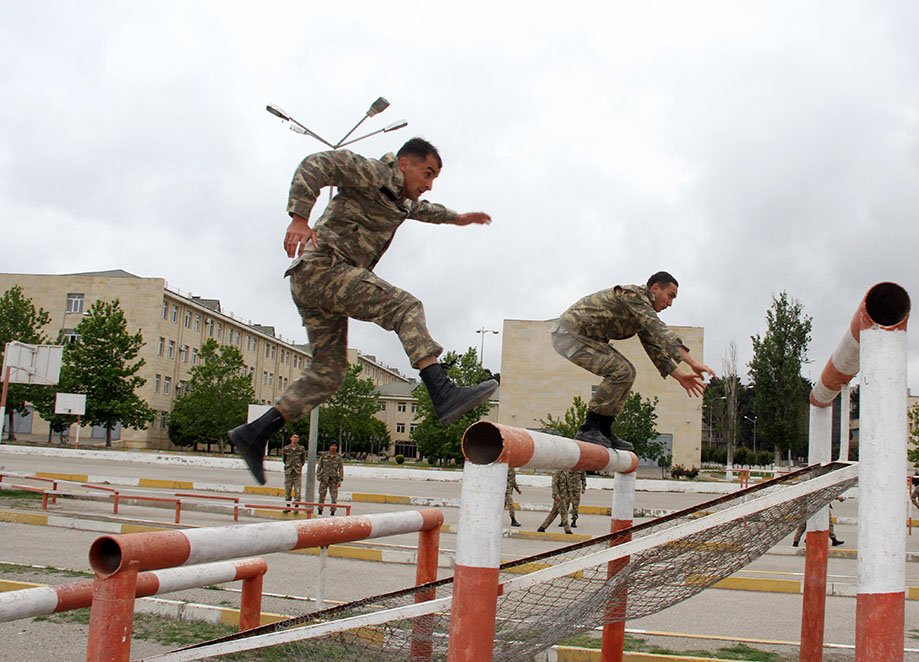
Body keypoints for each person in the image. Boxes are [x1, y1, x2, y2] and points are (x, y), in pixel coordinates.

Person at [229, 138, 499, 484]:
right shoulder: (371, 172)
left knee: (328, 373)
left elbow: (424, 210)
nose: (429, 184)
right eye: (427, 173)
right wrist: (299, 218)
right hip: (323, 269)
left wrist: (458, 218)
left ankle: (254, 433)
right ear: (404, 163)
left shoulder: (401, 200)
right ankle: (442, 391)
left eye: (435, 179)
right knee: (406, 307)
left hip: (318, 284)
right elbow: (316, 164)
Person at [551, 271, 715, 450]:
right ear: (655, 288)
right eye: (670, 296)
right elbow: (661, 331)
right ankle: (589, 427)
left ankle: (604, 429)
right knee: (621, 370)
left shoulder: (641, 314)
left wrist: (681, 376)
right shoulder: (634, 296)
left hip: (583, 337)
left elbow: (656, 349)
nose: (670, 304)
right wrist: (692, 362)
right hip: (568, 334)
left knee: (627, 372)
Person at [537, 470, 572, 535]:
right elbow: (554, 484)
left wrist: (570, 495)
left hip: (564, 496)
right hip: (559, 497)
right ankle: (567, 530)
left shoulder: (565, 472)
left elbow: (568, 485)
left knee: (554, 513)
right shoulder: (557, 472)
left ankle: (542, 527)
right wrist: (556, 495)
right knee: (564, 513)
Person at [281, 434, 307, 512]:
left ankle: (296, 507)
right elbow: (284, 459)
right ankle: (288, 507)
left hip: (297, 472)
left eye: (297, 437)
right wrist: (288, 466)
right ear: (291, 438)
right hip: (289, 472)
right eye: (294, 437)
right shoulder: (286, 448)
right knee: (288, 490)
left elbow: (303, 460)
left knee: (297, 490)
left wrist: (298, 466)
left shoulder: (301, 449)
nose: (295, 439)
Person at [316, 442, 344, 515]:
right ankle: (320, 510)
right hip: (324, 479)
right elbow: (319, 466)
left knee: (334, 497)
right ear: (329, 447)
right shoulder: (324, 456)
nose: (334, 447)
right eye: (332, 445)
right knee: (322, 495)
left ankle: (333, 511)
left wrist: (340, 480)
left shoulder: (338, 457)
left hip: (334, 480)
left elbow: (341, 469)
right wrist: (318, 475)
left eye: (335, 446)